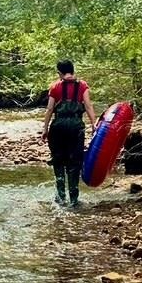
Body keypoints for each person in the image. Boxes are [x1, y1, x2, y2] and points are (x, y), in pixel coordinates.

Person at [41, 60, 98, 206]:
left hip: (58, 127)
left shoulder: (55, 86)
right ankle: (74, 199)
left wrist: (45, 128)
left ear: (60, 73)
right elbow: (88, 105)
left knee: (58, 161)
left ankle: (60, 198)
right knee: (74, 162)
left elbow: (49, 109)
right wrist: (94, 123)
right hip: (76, 127)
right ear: (72, 71)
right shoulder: (82, 85)